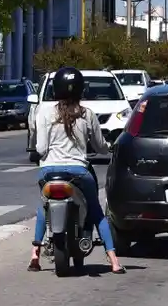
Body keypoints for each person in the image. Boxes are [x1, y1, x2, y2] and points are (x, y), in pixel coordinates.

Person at [27, 66, 124, 274]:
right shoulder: (87, 114)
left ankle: (35, 256)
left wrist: (37, 151)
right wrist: (109, 147)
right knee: (97, 211)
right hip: (79, 172)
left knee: (44, 207)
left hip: (49, 172)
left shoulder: (44, 113)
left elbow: (41, 149)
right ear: (81, 90)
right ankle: (114, 260)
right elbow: (100, 146)